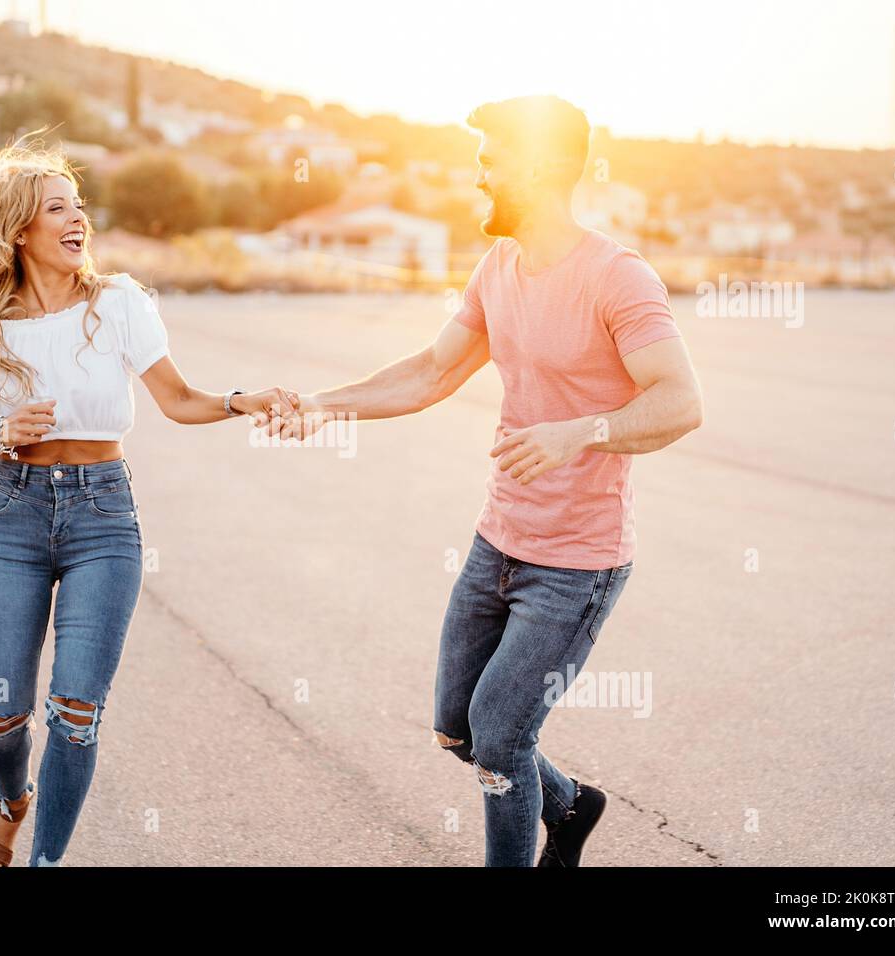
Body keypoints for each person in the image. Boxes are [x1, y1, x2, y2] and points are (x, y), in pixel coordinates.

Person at [274, 95, 703, 866]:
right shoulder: (498, 266)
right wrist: (320, 404)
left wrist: (584, 431)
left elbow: (681, 401)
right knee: (460, 728)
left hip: (578, 563)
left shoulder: (617, 277)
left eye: (491, 157)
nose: (478, 173)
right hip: (497, 541)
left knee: (501, 743)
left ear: (539, 165)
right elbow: (432, 371)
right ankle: (570, 808)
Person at [0, 133, 296, 866]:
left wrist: (242, 401)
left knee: (77, 715)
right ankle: (11, 800)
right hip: (13, 517)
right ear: (20, 227)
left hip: (103, 518)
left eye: (79, 205)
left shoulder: (118, 303)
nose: (76, 218)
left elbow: (179, 401)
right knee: (2, 719)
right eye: (57, 207)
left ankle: (45, 861)